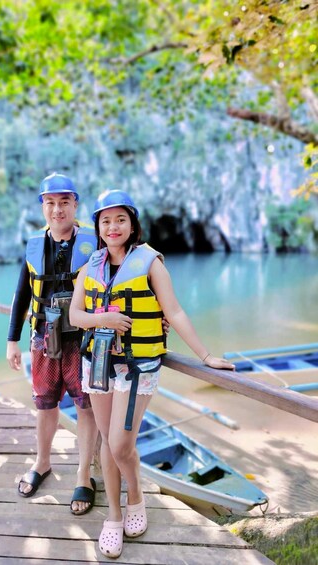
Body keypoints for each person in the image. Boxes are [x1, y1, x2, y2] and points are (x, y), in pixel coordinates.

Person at [69, 189, 236, 558]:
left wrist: (205, 356)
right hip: (97, 362)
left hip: (137, 366)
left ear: (132, 225)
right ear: (97, 226)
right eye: (105, 221)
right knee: (107, 446)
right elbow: (75, 316)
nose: (113, 227)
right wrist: (104, 319)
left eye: (120, 220)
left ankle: (137, 494)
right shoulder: (91, 265)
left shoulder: (150, 261)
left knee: (119, 444)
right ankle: (114, 515)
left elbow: (174, 312)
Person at [6, 172, 99, 515]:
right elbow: (21, 295)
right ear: (42, 207)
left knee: (85, 405)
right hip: (43, 335)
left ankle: (83, 474)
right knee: (45, 404)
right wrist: (11, 340)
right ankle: (42, 462)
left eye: (64, 202)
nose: (57, 210)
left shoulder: (96, 243)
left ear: (75, 204)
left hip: (83, 338)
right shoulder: (33, 246)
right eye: (50, 203)